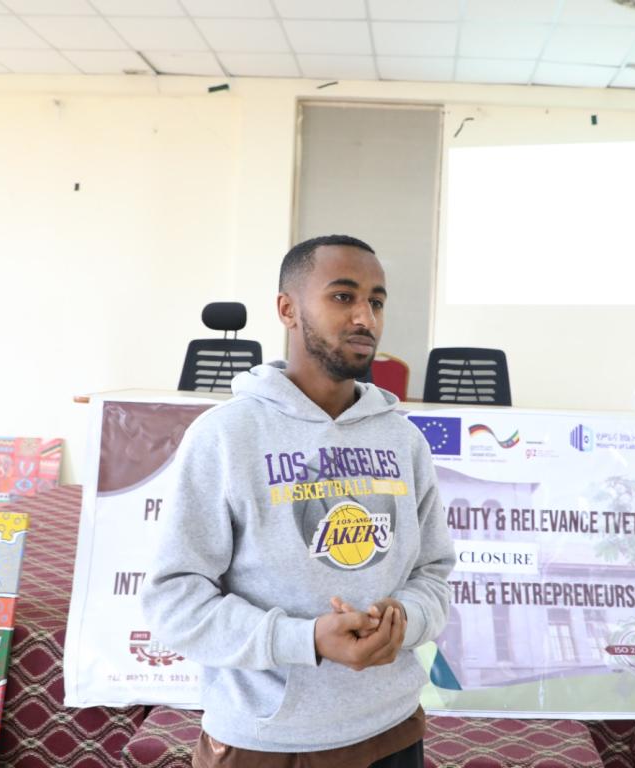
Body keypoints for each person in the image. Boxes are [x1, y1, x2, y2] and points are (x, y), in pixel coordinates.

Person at [142, 234, 455, 768]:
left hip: (393, 729)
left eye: (377, 302)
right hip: (268, 743)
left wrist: (407, 618)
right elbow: (174, 601)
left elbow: (433, 573)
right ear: (287, 309)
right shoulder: (225, 436)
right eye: (343, 297)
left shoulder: (403, 440)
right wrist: (304, 639)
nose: (365, 318)